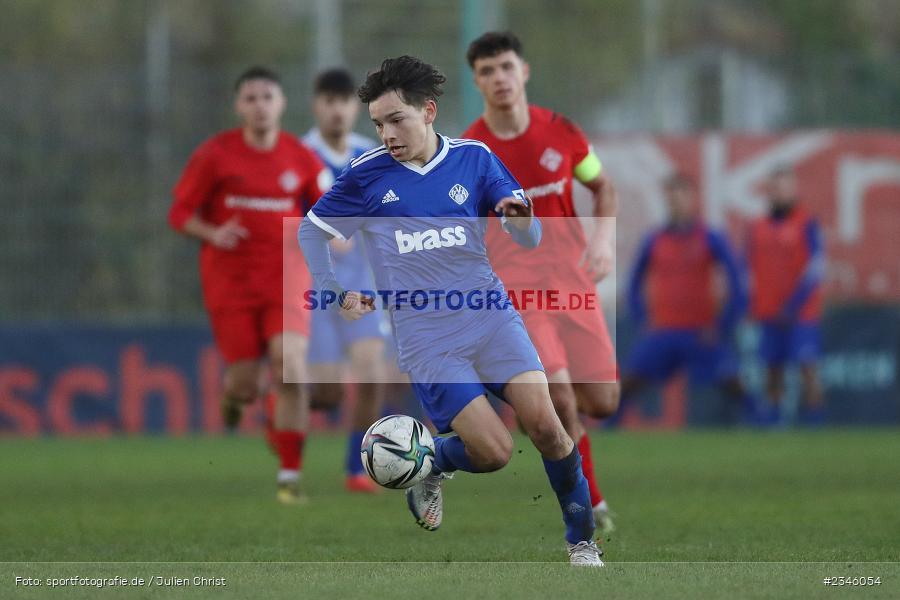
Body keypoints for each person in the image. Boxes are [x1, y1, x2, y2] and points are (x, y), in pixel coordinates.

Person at [298, 56, 603, 566]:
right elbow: (312, 231)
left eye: (397, 119)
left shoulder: (476, 159)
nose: (387, 133)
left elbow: (530, 237)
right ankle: (432, 463)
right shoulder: (366, 176)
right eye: (377, 123)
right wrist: (331, 288)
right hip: (428, 341)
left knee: (549, 428)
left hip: (490, 318)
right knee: (495, 452)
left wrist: (521, 220)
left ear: (429, 111)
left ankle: (582, 543)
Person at [462, 31, 618, 531]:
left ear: (523, 72)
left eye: (506, 66)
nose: (499, 78)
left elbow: (601, 185)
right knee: (561, 397)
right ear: (476, 81)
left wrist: (602, 242)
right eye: (487, 71)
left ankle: (561, 439)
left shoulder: (563, 132)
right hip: (517, 294)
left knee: (602, 401)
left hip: (573, 282)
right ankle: (590, 504)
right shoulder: (469, 150)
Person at [169, 66, 329, 504]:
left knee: (289, 367)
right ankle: (238, 401)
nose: (260, 105)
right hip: (232, 283)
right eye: (252, 98)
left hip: (287, 276)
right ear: (239, 105)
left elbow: (326, 214)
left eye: (268, 97)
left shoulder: (300, 158)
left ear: (281, 103)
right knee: (243, 383)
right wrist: (212, 233)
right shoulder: (215, 155)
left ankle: (290, 478)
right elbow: (180, 213)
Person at [303, 68, 386, 493]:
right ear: (317, 105)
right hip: (314, 290)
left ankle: (357, 468)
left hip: (361, 284)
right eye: (329, 101)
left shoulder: (369, 153)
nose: (337, 110)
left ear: (356, 107)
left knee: (372, 374)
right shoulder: (299, 154)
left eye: (345, 101)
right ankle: (281, 392)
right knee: (327, 395)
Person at [621, 174, 749, 414]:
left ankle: (765, 425)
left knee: (731, 381)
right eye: (670, 196)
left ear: (691, 199)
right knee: (630, 381)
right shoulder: (654, 239)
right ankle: (605, 433)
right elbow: (633, 283)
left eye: (680, 195)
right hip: (663, 330)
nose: (675, 201)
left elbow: (736, 280)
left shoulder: (709, 237)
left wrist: (724, 324)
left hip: (700, 332)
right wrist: (642, 319)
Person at [747, 166, 825, 426]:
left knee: (807, 367)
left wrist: (794, 305)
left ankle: (815, 422)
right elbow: (748, 267)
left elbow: (816, 268)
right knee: (772, 369)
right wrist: (751, 303)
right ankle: (773, 423)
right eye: (774, 187)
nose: (778, 192)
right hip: (768, 311)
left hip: (800, 312)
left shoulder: (807, 223)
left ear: (793, 190)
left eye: (783, 187)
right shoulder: (758, 227)